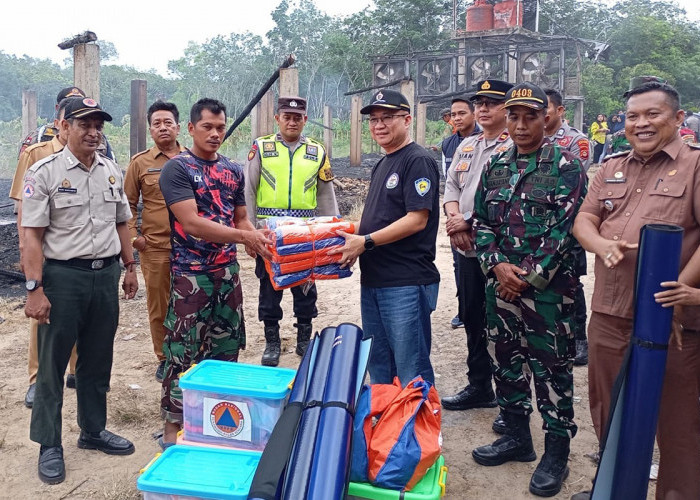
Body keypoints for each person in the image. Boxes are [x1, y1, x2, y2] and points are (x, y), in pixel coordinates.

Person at [572, 79, 700, 500]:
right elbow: (584, 221)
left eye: (652, 114)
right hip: (610, 313)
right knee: (610, 411)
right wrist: (602, 244)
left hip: (672, 320)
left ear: (678, 119)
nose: (640, 124)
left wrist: (684, 286)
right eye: (632, 117)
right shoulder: (611, 166)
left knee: (678, 426)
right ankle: (613, 490)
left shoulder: (696, 167)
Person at [470, 82, 586, 498]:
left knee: (553, 371)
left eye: (529, 116)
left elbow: (565, 231)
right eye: (514, 116)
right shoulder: (496, 165)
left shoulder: (567, 166)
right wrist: (497, 266)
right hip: (500, 289)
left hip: (549, 294)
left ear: (546, 117)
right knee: (506, 361)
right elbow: (480, 222)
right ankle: (517, 437)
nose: (520, 125)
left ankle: (557, 451)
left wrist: (528, 277)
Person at [22, 97, 138, 485]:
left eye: (97, 125)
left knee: (97, 358)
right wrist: (35, 289)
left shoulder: (109, 169)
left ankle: (92, 430)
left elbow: (122, 222)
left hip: (104, 276)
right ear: (63, 127)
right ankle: (49, 443)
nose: (93, 132)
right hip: (63, 278)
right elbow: (31, 237)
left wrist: (130, 267)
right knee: (53, 365)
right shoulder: (44, 172)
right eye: (84, 124)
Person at [158, 98, 272, 446]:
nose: (215, 133)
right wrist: (244, 237)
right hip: (191, 277)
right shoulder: (177, 169)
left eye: (220, 127)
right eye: (207, 126)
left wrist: (257, 243)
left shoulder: (233, 170)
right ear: (191, 129)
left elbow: (240, 218)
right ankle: (171, 432)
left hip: (227, 275)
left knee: (226, 350)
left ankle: (210, 428)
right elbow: (192, 223)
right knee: (183, 355)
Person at [330, 89, 440, 386]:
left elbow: (417, 219)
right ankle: (387, 426)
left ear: (407, 120)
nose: (379, 125)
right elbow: (379, 218)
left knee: (410, 367)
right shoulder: (384, 162)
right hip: (376, 279)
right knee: (379, 364)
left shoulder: (417, 160)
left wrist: (364, 242)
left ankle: (418, 430)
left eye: (387, 118)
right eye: (374, 120)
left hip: (405, 281)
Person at [245, 96, 338, 367]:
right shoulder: (261, 148)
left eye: (297, 117)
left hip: (305, 233)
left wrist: (329, 233)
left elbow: (326, 195)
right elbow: (248, 192)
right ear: (278, 118)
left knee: (305, 286)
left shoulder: (317, 151)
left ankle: (304, 339)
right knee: (269, 288)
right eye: (287, 116)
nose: (292, 121)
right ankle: (272, 341)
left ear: (305, 120)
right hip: (268, 232)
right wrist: (249, 232)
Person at [440, 79, 513, 412]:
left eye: (491, 103)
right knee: (472, 317)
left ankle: (511, 395)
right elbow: (452, 186)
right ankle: (479, 386)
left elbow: (508, 198)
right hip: (467, 249)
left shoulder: (515, 145)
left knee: (506, 323)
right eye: (479, 103)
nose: (483, 108)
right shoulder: (466, 146)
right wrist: (456, 220)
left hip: (500, 251)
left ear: (506, 108)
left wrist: (467, 220)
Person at [9, 96, 79, 408]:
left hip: (79, 250)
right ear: (59, 122)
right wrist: (27, 252)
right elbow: (23, 208)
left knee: (81, 314)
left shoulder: (95, 153)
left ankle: (77, 370)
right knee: (43, 315)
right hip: (47, 250)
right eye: (72, 117)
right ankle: (37, 379)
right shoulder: (36, 154)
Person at [124, 101, 185, 381]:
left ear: (179, 126)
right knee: (159, 305)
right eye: (157, 123)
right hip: (156, 248)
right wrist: (136, 239)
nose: (163, 127)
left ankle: (188, 352)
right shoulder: (140, 163)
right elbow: (125, 207)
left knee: (189, 302)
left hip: (191, 248)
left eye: (168, 122)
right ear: (150, 129)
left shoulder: (192, 158)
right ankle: (164, 357)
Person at [544, 88, 591, 366]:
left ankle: (579, 339)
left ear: (560, 110)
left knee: (572, 283)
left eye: (546, 108)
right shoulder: (527, 140)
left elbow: (575, 183)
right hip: (536, 229)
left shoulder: (576, 141)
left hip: (567, 226)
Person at [441, 95, 481, 330]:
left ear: (473, 114)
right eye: (453, 114)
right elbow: (449, 181)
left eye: (461, 113)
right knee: (459, 262)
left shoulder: (485, 139)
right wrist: (454, 218)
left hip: (480, 218)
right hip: (455, 213)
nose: (456, 118)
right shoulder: (448, 144)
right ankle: (463, 309)